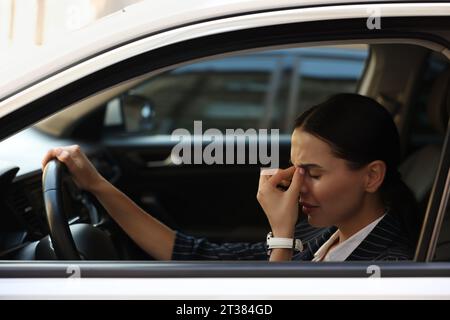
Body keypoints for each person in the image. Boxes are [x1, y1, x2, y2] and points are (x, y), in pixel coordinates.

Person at [41, 93, 420, 262]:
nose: (295, 184)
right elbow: (192, 255)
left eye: (314, 173)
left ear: (371, 177)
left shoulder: (388, 267)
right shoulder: (323, 236)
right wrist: (97, 185)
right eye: (295, 168)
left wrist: (282, 238)